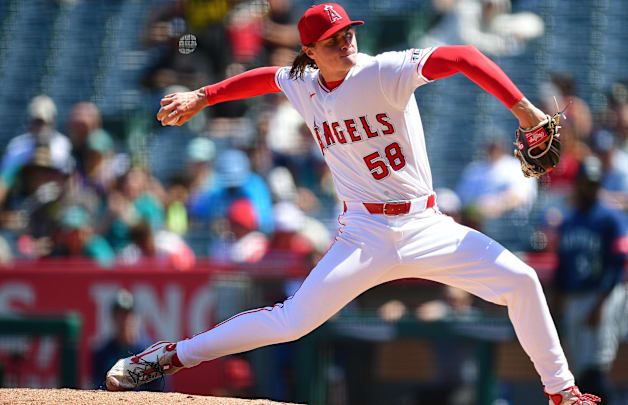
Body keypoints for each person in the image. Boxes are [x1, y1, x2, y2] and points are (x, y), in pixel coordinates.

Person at [106, 4, 600, 404]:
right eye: (333, 39)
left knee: (522, 280)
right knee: (292, 321)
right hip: (363, 234)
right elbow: (264, 77)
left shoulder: (382, 71)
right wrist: (203, 96)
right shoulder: (304, 84)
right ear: (310, 52)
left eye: (348, 32)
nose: (346, 41)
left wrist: (526, 111)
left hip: (427, 225)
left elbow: (465, 56)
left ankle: (562, 392)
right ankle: (172, 356)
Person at [553, 156, 628, 404]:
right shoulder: (568, 220)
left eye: (594, 183)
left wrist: (601, 303)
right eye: (585, 182)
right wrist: (557, 302)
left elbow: (618, 264)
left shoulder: (611, 218)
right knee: (579, 374)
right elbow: (562, 267)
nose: (589, 187)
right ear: (577, 183)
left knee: (595, 369)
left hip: (602, 295)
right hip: (574, 297)